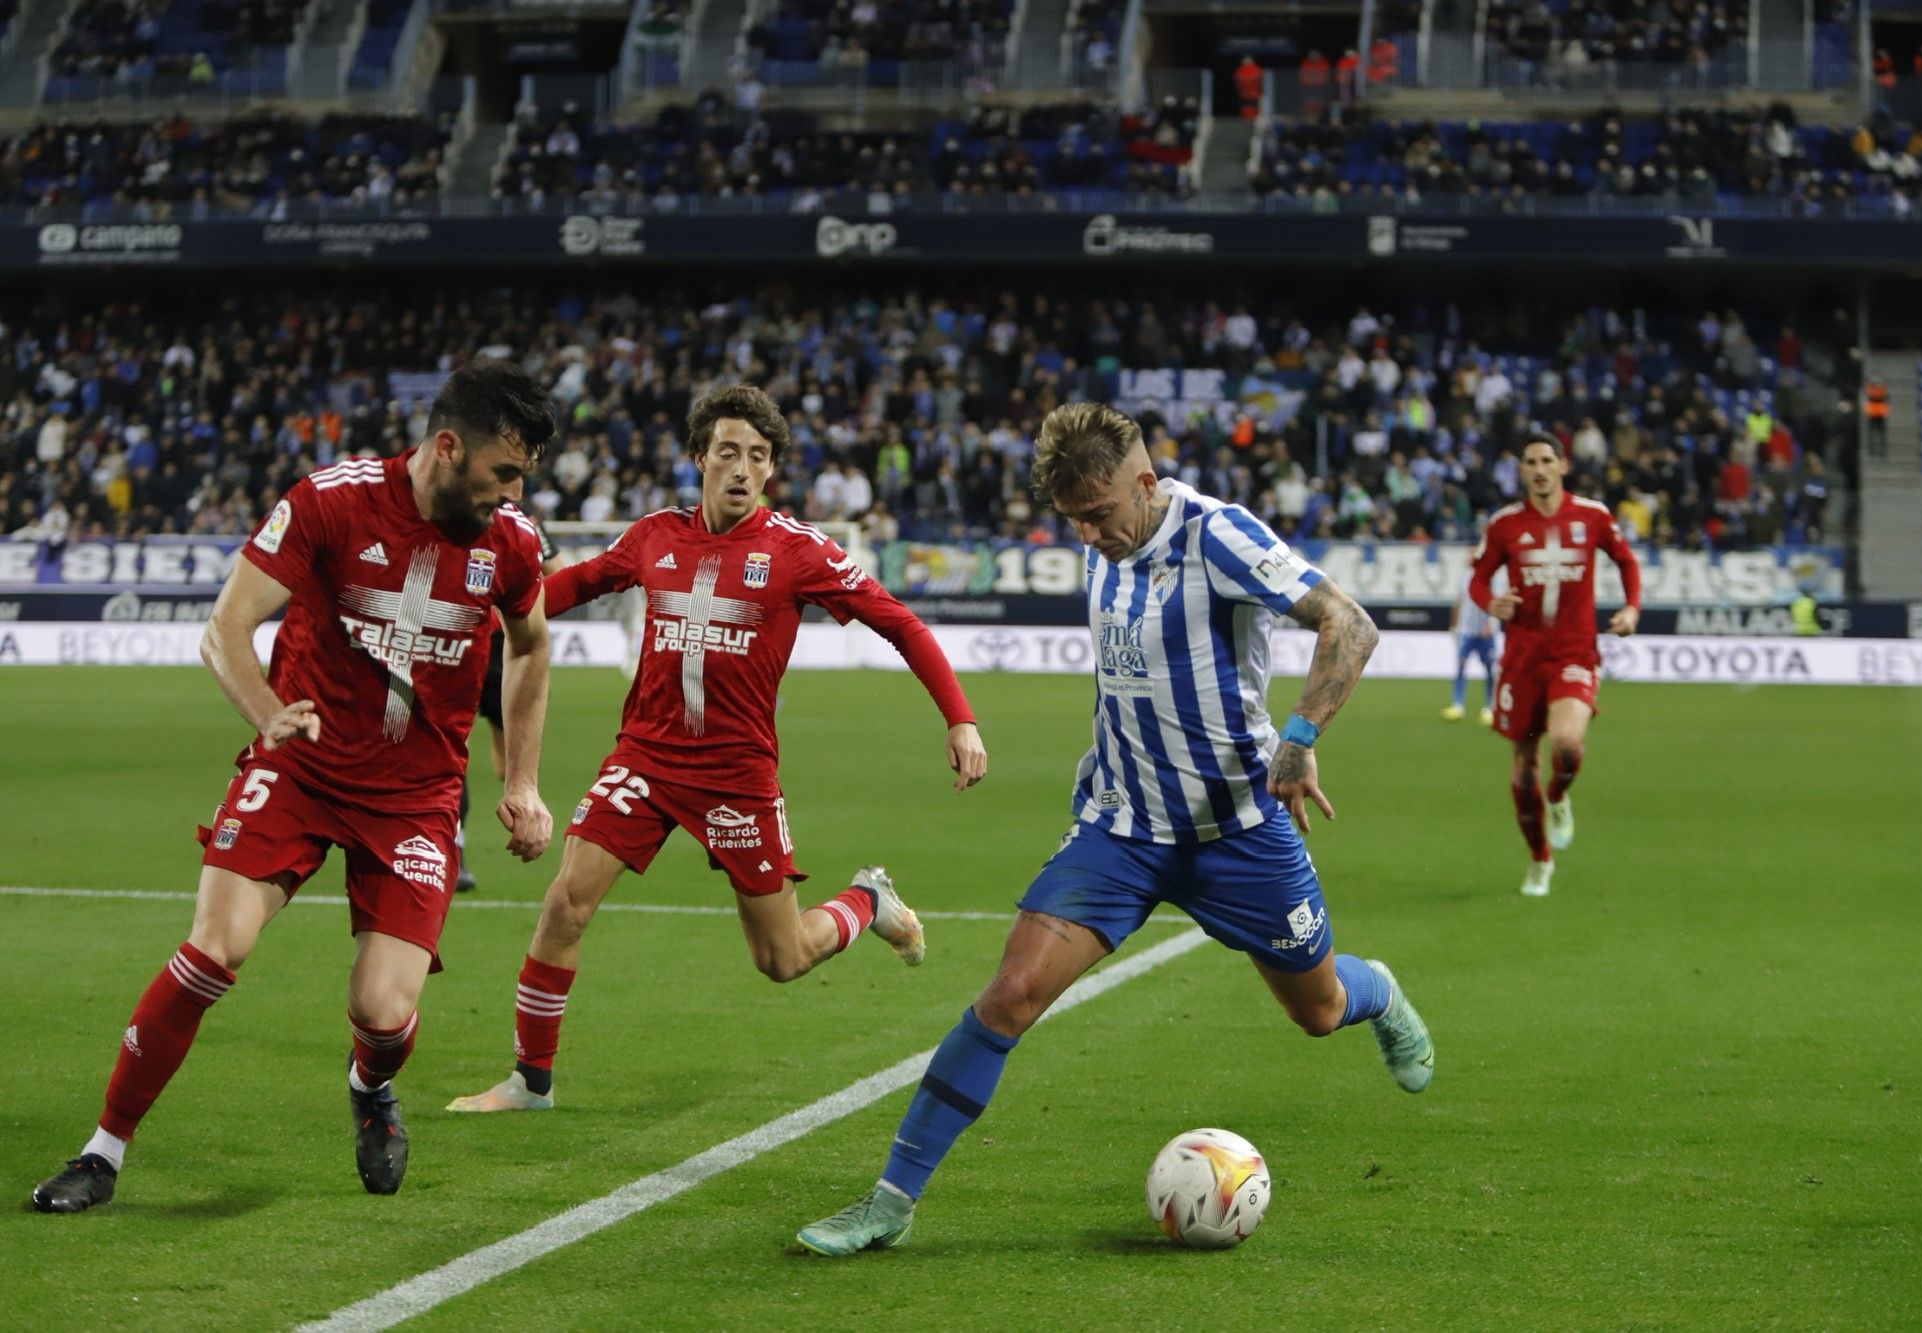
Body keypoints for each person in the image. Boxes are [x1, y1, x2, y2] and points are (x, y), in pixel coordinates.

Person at [794, 402, 1433, 1257]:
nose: (1090, 534)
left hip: (1239, 829)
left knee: (1318, 1010)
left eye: (1099, 514)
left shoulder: (1219, 536)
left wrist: (1301, 736)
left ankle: (1379, 990)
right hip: (1121, 830)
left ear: (1144, 482)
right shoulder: (1104, 549)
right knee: (1008, 996)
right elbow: (1124, 679)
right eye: (1074, 521)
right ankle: (888, 1201)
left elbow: (1350, 623)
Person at [30, 359, 560, 1213]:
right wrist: (268, 711)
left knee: (385, 1014)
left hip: (416, 795)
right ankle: (102, 1151)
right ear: (449, 446)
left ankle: (369, 1085)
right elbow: (226, 627)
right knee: (215, 948)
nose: (510, 493)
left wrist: (524, 781)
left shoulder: (513, 544)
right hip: (303, 763)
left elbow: (531, 645)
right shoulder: (330, 499)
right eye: (503, 473)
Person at [446, 385, 988, 1114]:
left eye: (757, 457)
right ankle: (530, 1080)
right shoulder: (653, 536)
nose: (741, 468)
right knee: (565, 904)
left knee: (783, 957)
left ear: (770, 472)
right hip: (644, 759)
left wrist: (960, 718)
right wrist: (474, 605)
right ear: (699, 456)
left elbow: (902, 625)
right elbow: (564, 589)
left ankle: (868, 900)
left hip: (737, 775)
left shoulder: (798, 552)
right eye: (728, 451)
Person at [1467, 436, 1642, 898]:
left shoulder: (1593, 516)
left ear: (1563, 465)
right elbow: (1479, 579)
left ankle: (1560, 795)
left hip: (1574, 653)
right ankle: (1540, 858)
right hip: (1522, 660)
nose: (1540, 469)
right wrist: (1492, 602)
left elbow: (1626, 561)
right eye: (1530, 462)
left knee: (1566, 743)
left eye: (1547, 460)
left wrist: (1631, 609)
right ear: (1521, 471)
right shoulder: (1505, 525)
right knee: (1524, 769)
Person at [458, 508, 568, 892]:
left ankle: (463, 845)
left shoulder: (514, 525)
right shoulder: (528, 524)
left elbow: (558, 574)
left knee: (501, 764)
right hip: (488, 646)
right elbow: (560, 572)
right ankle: (454, 853)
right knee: (460, 750)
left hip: (500, 648)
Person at [1442, 566, 1502, 724]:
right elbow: (1459, 601)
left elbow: (1497, 601)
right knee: (1461, 666)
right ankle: (1457, 706)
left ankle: (1489, 708)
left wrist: (1492, 623)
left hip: (1485, 632)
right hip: (1466, 631)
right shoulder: (1465, 575)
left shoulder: (1492, 577)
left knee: (1490, 670)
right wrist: (1454, 625)